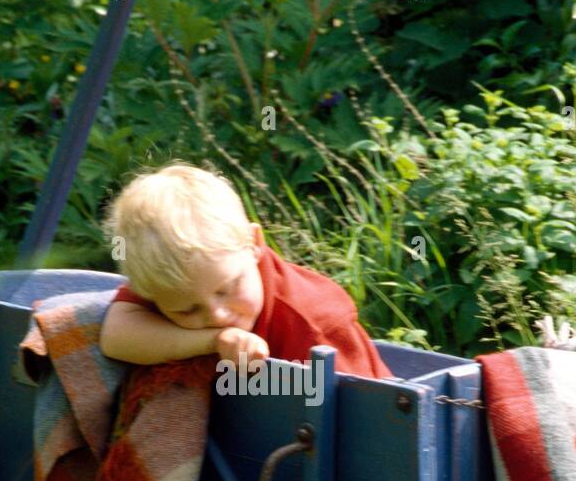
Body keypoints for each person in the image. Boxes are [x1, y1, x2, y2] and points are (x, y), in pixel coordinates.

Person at [99, 162, 396, 379]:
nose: (217, 315)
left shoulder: (312, 324)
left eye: (227, 289)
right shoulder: (175, 279)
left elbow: (368, 419)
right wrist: (213, 342)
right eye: (186, 311)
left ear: (254, 243)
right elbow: (115, 338)